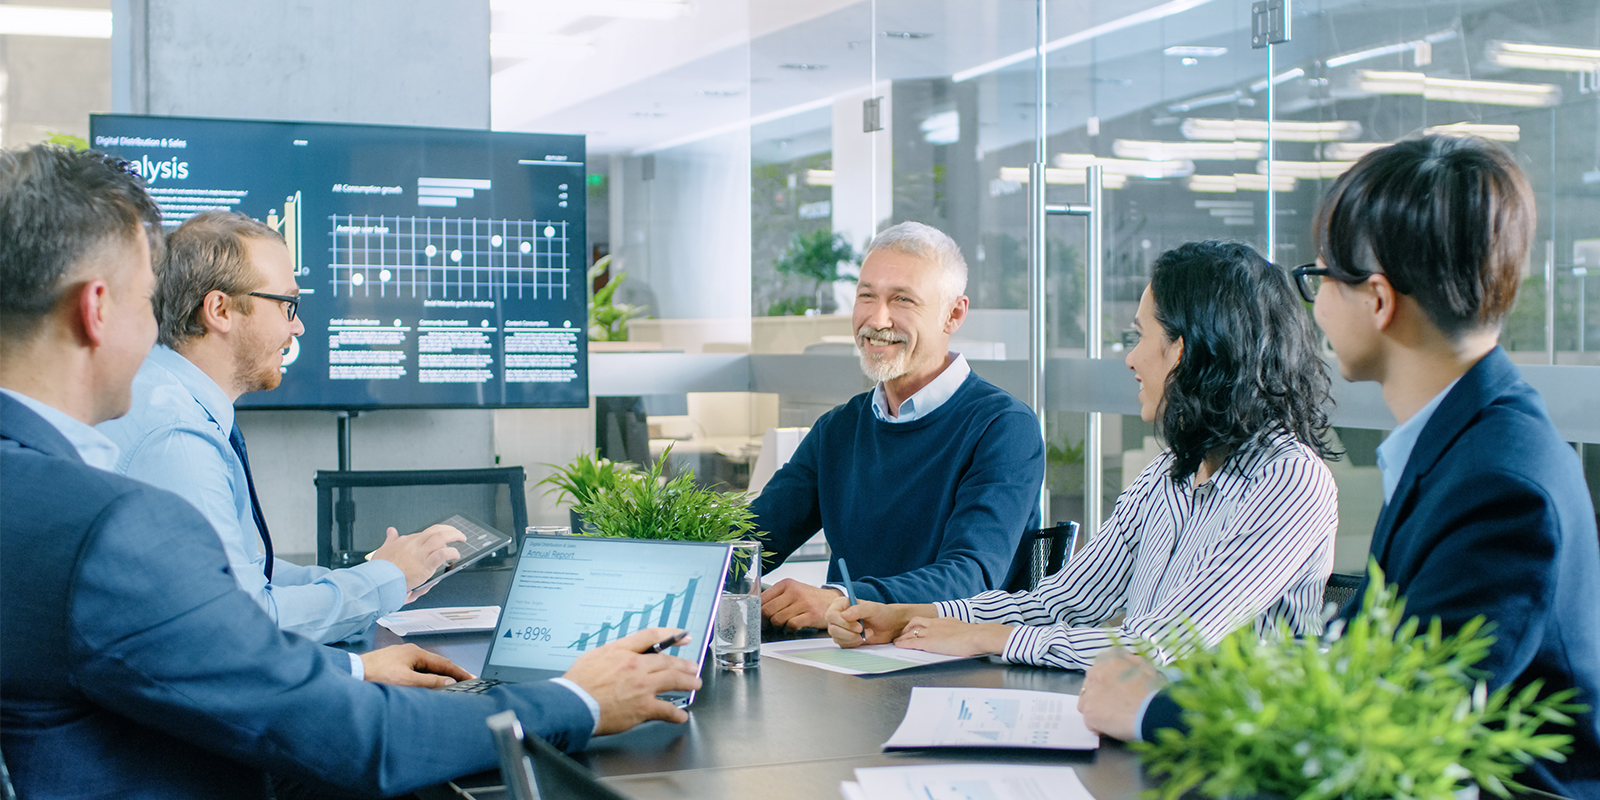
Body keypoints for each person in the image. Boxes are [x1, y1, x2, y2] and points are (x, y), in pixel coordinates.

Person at [0, 144, 700, 799]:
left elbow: (184, 658)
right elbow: (354, 739)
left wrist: (352, 666)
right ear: (96, 310)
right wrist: (576, 699)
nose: (157, 331)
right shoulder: (107, 525)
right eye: (146, 301)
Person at [1079, 135, 1600, 798]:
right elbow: (1362, 672)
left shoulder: (1499, 485)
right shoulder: (1464, 444)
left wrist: (1156, 709)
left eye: (1321, 276)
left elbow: (1391, 732)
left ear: (1377, 301)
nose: (1313, 302)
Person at [826, 240, 1339, 669]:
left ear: (1183, 350)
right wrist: (924, 615)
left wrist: (992, 638)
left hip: (1232, 764)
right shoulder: (1168, 475)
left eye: (1141, 337)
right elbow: (1064, 601)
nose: (1131, 358)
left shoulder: (1290, 481)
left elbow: (1165, 645)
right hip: (1139, 728)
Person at [98, 210, 463, 645]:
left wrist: (376, 577)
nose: (298, 326)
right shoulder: (176, 437)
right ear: (220, 309)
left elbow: (246, 571)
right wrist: (383, 580)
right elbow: (246, 623)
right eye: (287, 305)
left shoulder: (168, 396)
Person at [754, 221, 1045, 630]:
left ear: (953, 314)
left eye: (903, 300)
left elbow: (972, 578)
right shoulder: (838, 429)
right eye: (866, 296)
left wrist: (841, 600)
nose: (877, 318)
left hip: (952, 668)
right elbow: (754, 540)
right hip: (848, 661)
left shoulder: (1003, 427)